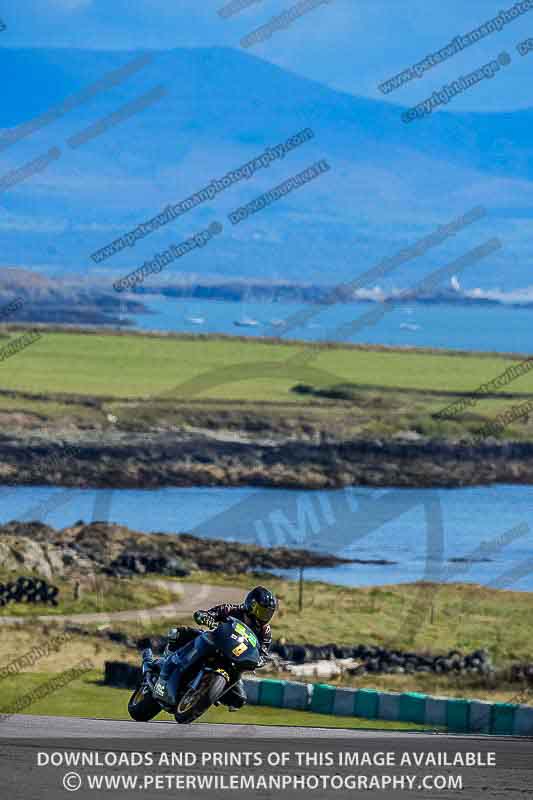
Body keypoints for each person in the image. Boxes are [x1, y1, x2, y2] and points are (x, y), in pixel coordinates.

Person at [144, 586, 277, 709]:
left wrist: (261, 660)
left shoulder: (265, 632)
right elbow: (206, 613)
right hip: (215, 643)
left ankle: (207, 692)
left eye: (267, 614)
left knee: (239, 699)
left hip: (234, 659)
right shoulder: (231, 610)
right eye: (261, 611)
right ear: (251, 604)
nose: (263, 617)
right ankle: (166, 662)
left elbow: (263, 652)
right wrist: (206, 617)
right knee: (182, 633)